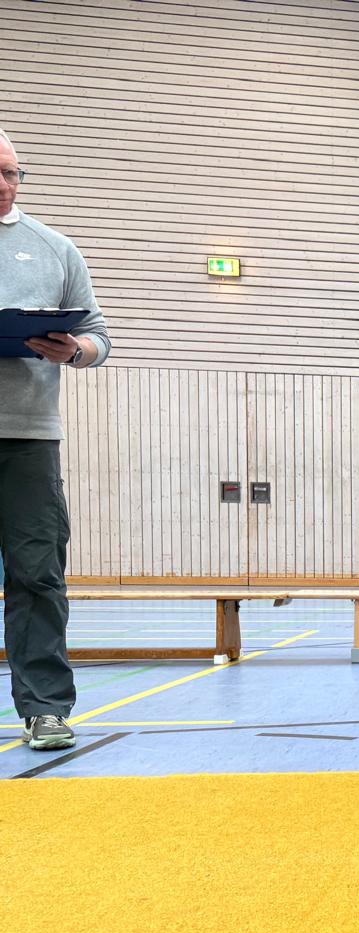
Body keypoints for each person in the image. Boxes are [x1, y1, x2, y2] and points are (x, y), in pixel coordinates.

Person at [0, 130, 112, 751]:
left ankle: (44, 708)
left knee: (38, 575)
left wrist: (74, 351)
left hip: (29, 440)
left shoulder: (55, 248)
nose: (4, 183)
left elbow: (98, 336)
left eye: (12, 172)